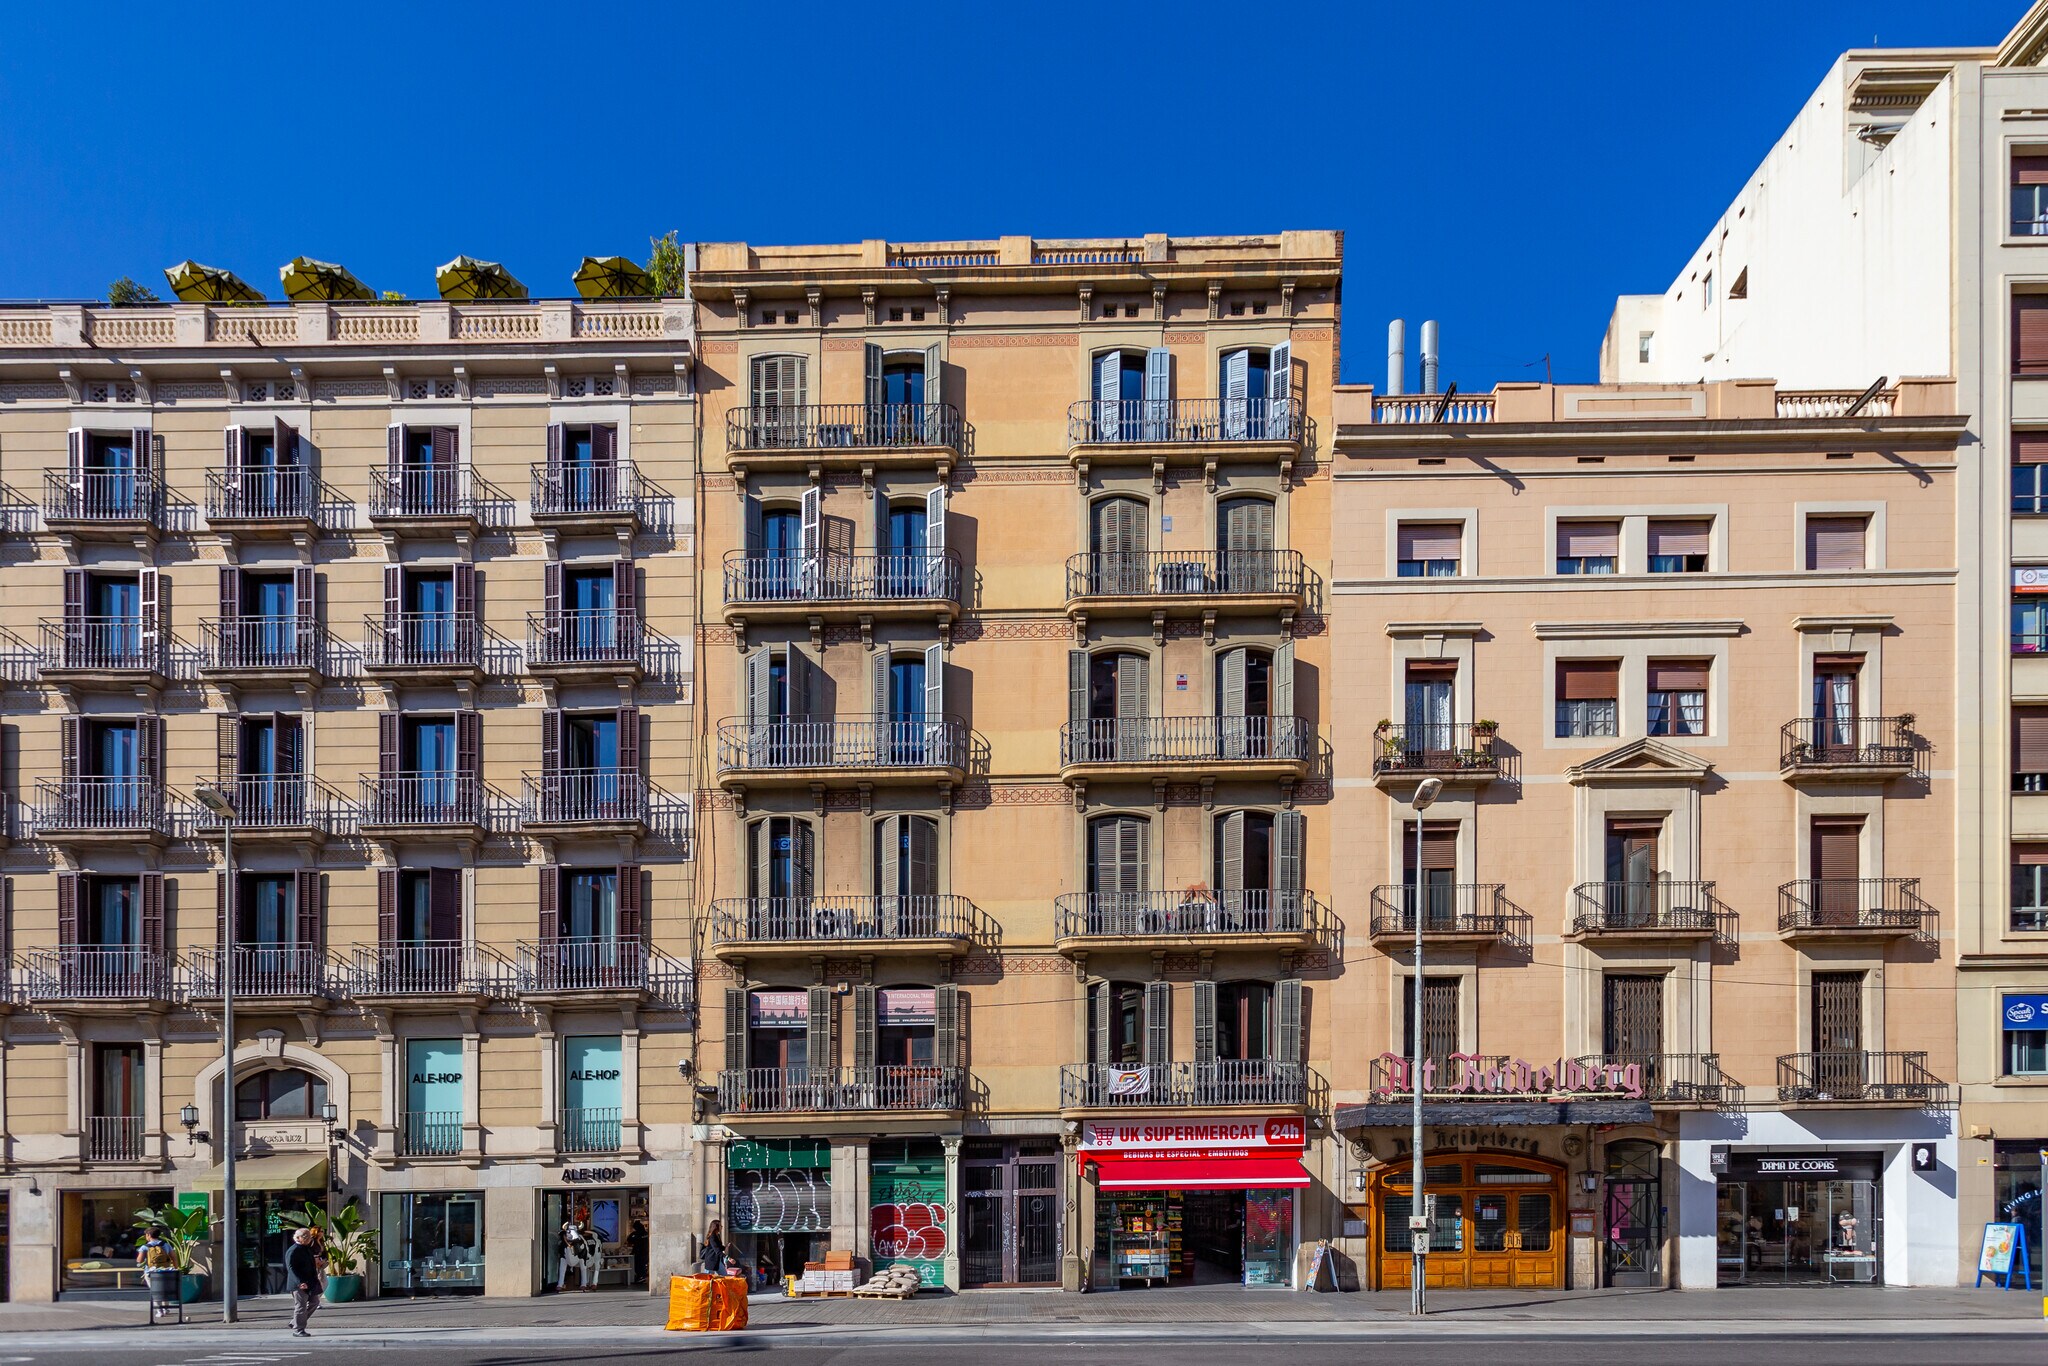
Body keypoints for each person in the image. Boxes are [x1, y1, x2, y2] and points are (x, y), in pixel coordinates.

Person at [285, 1227, 324, 1338]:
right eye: (306, 1237)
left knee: (314, 1302)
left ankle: (295, 1322)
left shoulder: (306, 1248)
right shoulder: (293, 1250)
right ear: (298, 1238)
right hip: (299, 1284)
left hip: (310, 1281)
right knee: (300, 1306)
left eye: (309, 1236)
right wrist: (299, 1282)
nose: (309, 1239)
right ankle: (298, 1329)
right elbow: (291, 1268)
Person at [137, 1226, 177, 1319]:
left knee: (155, 1291)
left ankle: (160, 1310)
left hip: (151, 1272)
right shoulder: (165, 1245)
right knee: (165, 1290)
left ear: (149, 1235)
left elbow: (139, 1260)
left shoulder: (145, 1247)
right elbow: (173, 1257)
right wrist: (175, 1268)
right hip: (165, 1271)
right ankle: (166, 1309)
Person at [557, 1207, 597, 1292]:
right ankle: (560, 1284)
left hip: (578, 1251)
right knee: (562, 1261)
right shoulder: (564, 1243)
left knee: (583, 1265)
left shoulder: (579, 1242)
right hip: (567, 1249)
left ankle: (584, 1283)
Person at [625, 1217, 649, 1286]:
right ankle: (641, 1276)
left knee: (639, 1265)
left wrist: (633, 1234)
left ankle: (641, 1277)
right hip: (645, 1252)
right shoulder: (645, 1234)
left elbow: (630, 1240)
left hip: (640, 1252)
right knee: (642, 1265)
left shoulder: (637, 1234)